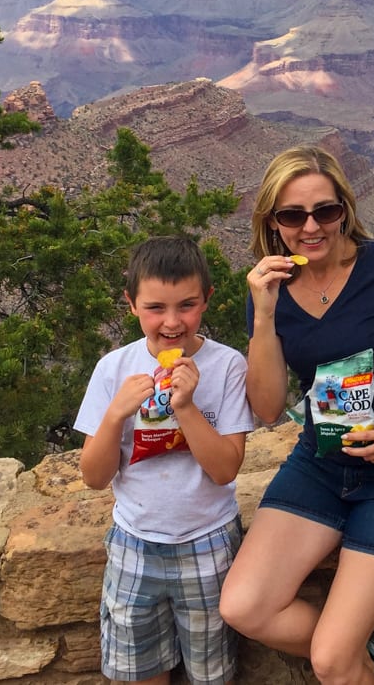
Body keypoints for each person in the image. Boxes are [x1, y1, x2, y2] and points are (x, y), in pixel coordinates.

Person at [219, 145, 374, 685]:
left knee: (329, 661)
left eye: (325, 211)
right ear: (272, 223)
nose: (311, 227)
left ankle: (349, 654)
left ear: (345, 208)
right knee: (244, 607)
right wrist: (264, 315)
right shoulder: (265, 293)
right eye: (292, 215)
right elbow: (269, 406)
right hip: (322, 464)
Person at [75, 236, 254, 685]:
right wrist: (117, 412)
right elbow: (94, 477)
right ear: (131, 304)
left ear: (207, 301)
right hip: (134, 542)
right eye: (155, 308)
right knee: (137, 672)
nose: (172, 323)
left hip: (208, 541)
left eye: (187, 306)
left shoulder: (227, 366)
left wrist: (187, 407)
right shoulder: (114, 370)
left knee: (210, 672)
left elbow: (225, 469)